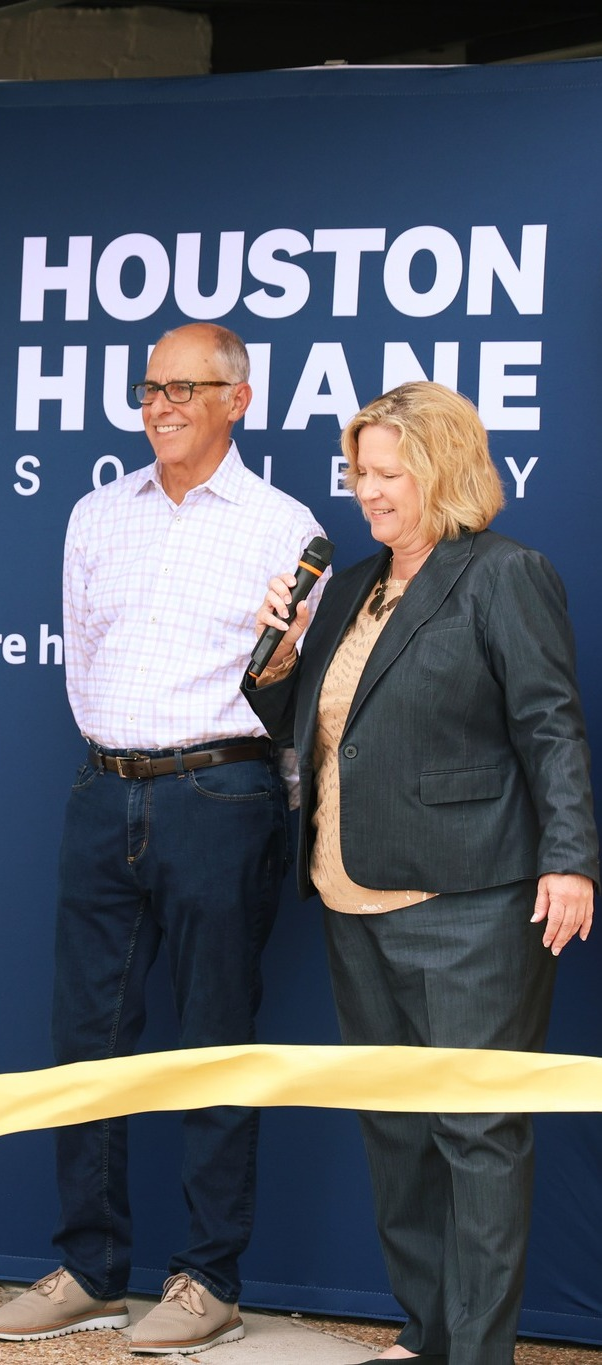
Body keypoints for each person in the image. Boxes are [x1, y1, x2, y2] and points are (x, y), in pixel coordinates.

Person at [0, 323, 325, 1356]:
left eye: (188, 387)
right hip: (104, 790)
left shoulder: (284, 525)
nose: (163, 404)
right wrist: (118, 760)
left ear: (239, 399)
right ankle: (90, 1268)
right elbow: (83, 658)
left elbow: (293, 687)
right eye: (150, 388)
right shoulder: (97, 515)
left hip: (222, 796)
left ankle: (207, 1278)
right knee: (86, 1040)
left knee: (214, 1039)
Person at [243, 381, 597, 1365]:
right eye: (361, 472)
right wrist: (275, 667)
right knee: (396, 1135)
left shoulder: (505, 574)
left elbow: (550, 725)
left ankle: (476, 1353)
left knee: (477, 1135)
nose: (370, 491)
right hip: (352, 900)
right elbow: (322, 738)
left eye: (390, 473)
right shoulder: (353, 584)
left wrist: (571, 859)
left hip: (471, 906)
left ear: (443, 472)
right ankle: (428, 1331)